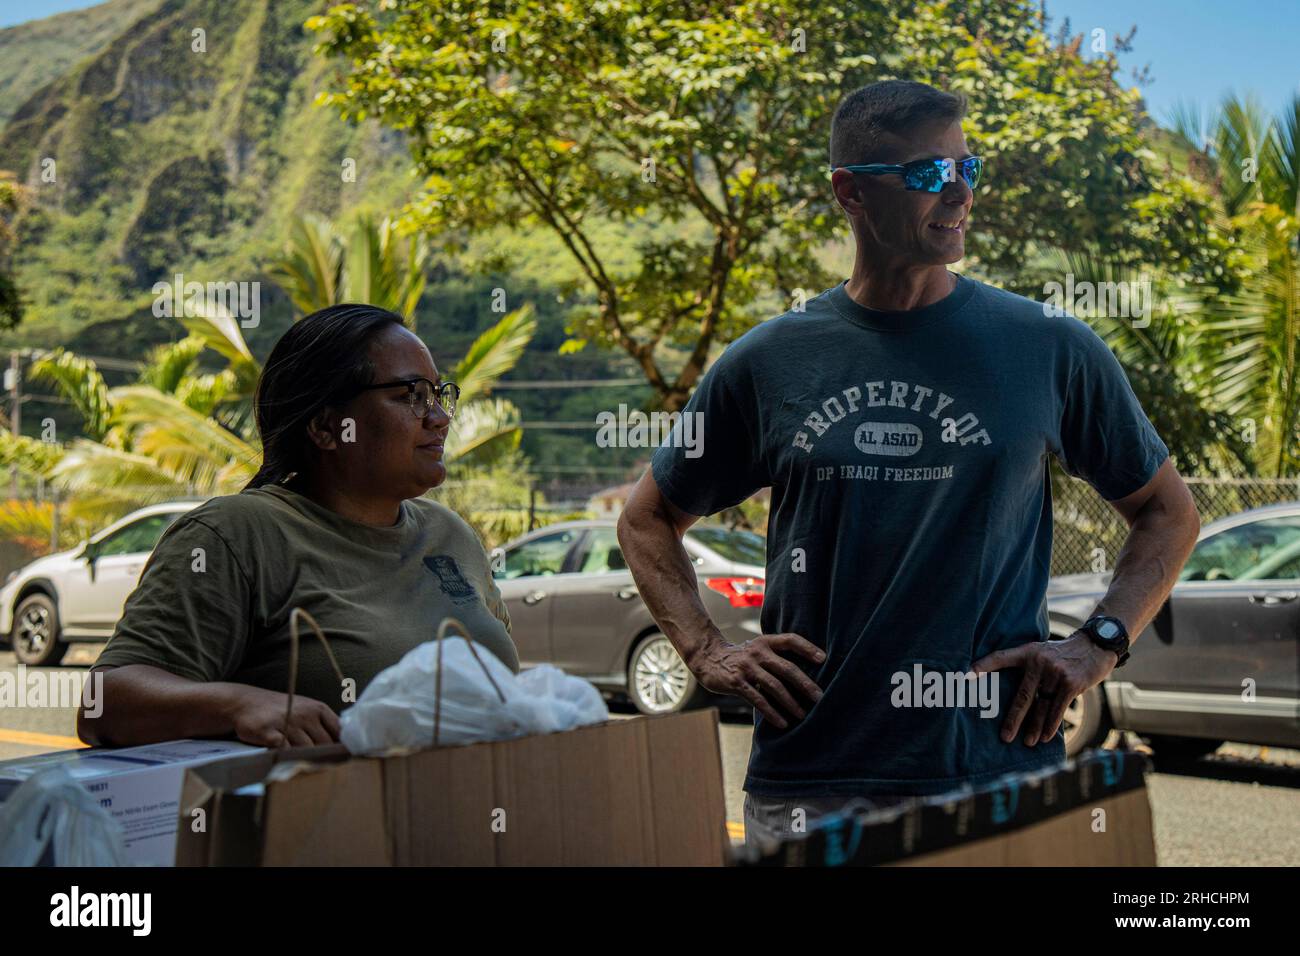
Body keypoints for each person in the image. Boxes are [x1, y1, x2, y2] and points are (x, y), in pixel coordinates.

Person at [616, 79, 1202, 851]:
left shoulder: (1047, 346)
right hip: (812, 783)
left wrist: (1096, 643)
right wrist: (705, 650)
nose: (959, 192)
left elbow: (1171, 512)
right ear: (850, 193)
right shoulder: (769, 360)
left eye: (971, 168)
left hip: (996, 773)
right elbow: (647, 518)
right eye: (930, 173)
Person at [78, 304, 518, 749]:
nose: (440, 417)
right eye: (411, 395)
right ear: (326, 427)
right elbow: (104, 701)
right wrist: (237, 705)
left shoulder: (452, 535)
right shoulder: (235, 535)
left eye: (440, 394)